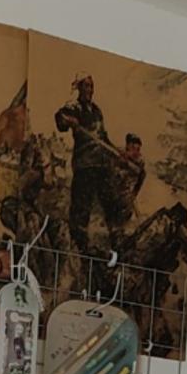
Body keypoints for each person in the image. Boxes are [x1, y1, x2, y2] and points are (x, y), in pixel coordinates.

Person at [54, 73, 128, 251]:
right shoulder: (74, 107)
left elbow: (103, 138)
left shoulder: (96, 111)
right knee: (81, 206)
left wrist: (117, 153)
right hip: (84, 165)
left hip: (101, 164)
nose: (89, 90)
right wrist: (68, 120)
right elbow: (60, 118)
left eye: (91, 86)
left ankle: (117, 240)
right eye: (86, 86)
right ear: (79, 88)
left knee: (111, 202)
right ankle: (79, 245)